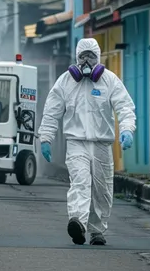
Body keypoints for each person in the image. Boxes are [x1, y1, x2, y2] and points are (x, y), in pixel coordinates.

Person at [39, 38, 136, 247]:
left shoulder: (109, 80)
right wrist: (45, 137)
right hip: (76, 143)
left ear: (98, 58)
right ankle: (78, 222)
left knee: (102, 190)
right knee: (80, 183)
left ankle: (97, 231)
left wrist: (127, 129)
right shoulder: (65, 82)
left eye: (91, 56)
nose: (87, 61)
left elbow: (125, 107)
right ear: (76, 57)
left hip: (102, 145)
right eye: (83, 56)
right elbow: (51, 112)